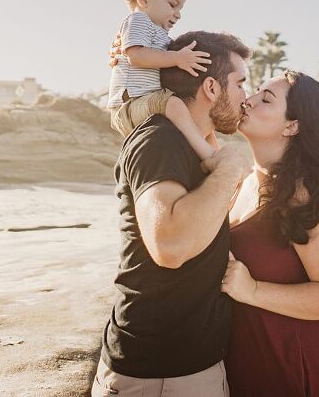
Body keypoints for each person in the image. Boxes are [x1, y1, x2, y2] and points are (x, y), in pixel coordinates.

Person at [92, 31, 251, 397]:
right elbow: (170, 243)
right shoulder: (160, 139)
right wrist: (228, 169)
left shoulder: (194, 146)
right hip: (159, 374)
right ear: (211, 87)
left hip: (186, 367)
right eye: (240, 83)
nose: (247, 96)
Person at [222, 70, 319, 397]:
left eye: (266, 99)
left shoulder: (303, 193)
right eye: (255, 91)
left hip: (298, 366)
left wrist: (254, 290)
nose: (249, 100)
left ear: (292, 125)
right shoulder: (244, 181)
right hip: (250, 359)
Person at [106, 0, 218, 160]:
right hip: (128, 105)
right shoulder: (138, 20)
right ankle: (207, 155)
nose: (178, 14)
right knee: (175, 105)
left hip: (147, 102)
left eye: (180, 9)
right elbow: (136, 56)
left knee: (195, 115)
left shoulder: (159, 35)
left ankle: (213, 152)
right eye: (173, 5)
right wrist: (177, 58)